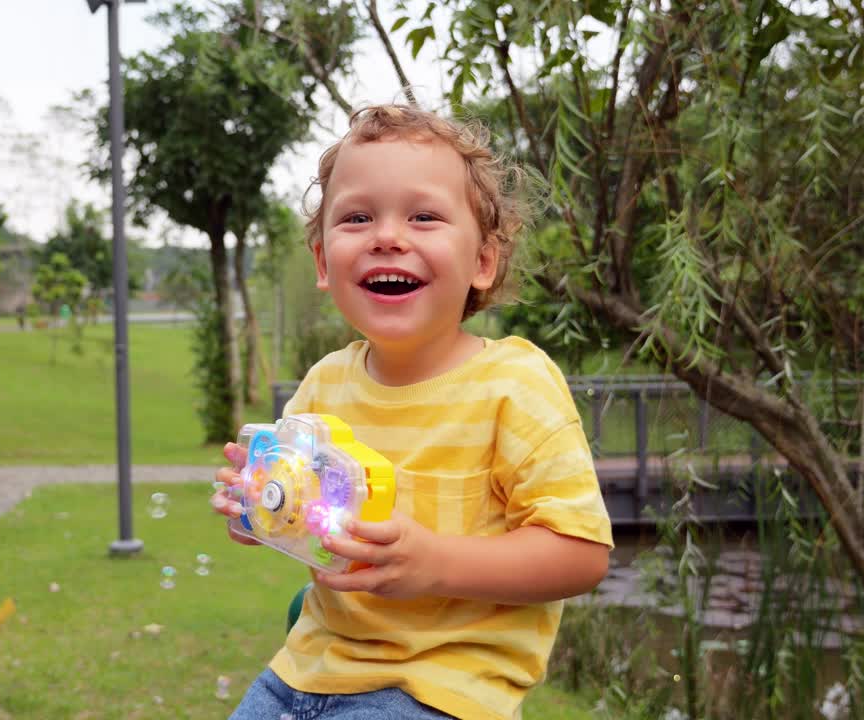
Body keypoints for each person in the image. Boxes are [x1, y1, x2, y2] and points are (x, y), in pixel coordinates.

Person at [210, 104, 613, 720]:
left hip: (439, 689)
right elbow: (311, 522)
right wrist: (261, 509)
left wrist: (435, 564)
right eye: (357, 217)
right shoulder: (323, 384)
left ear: (483, 261)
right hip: (304, 669)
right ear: (323, 261)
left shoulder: (514, 385)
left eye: (424, 216)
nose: (387, 236)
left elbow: (581, 554)